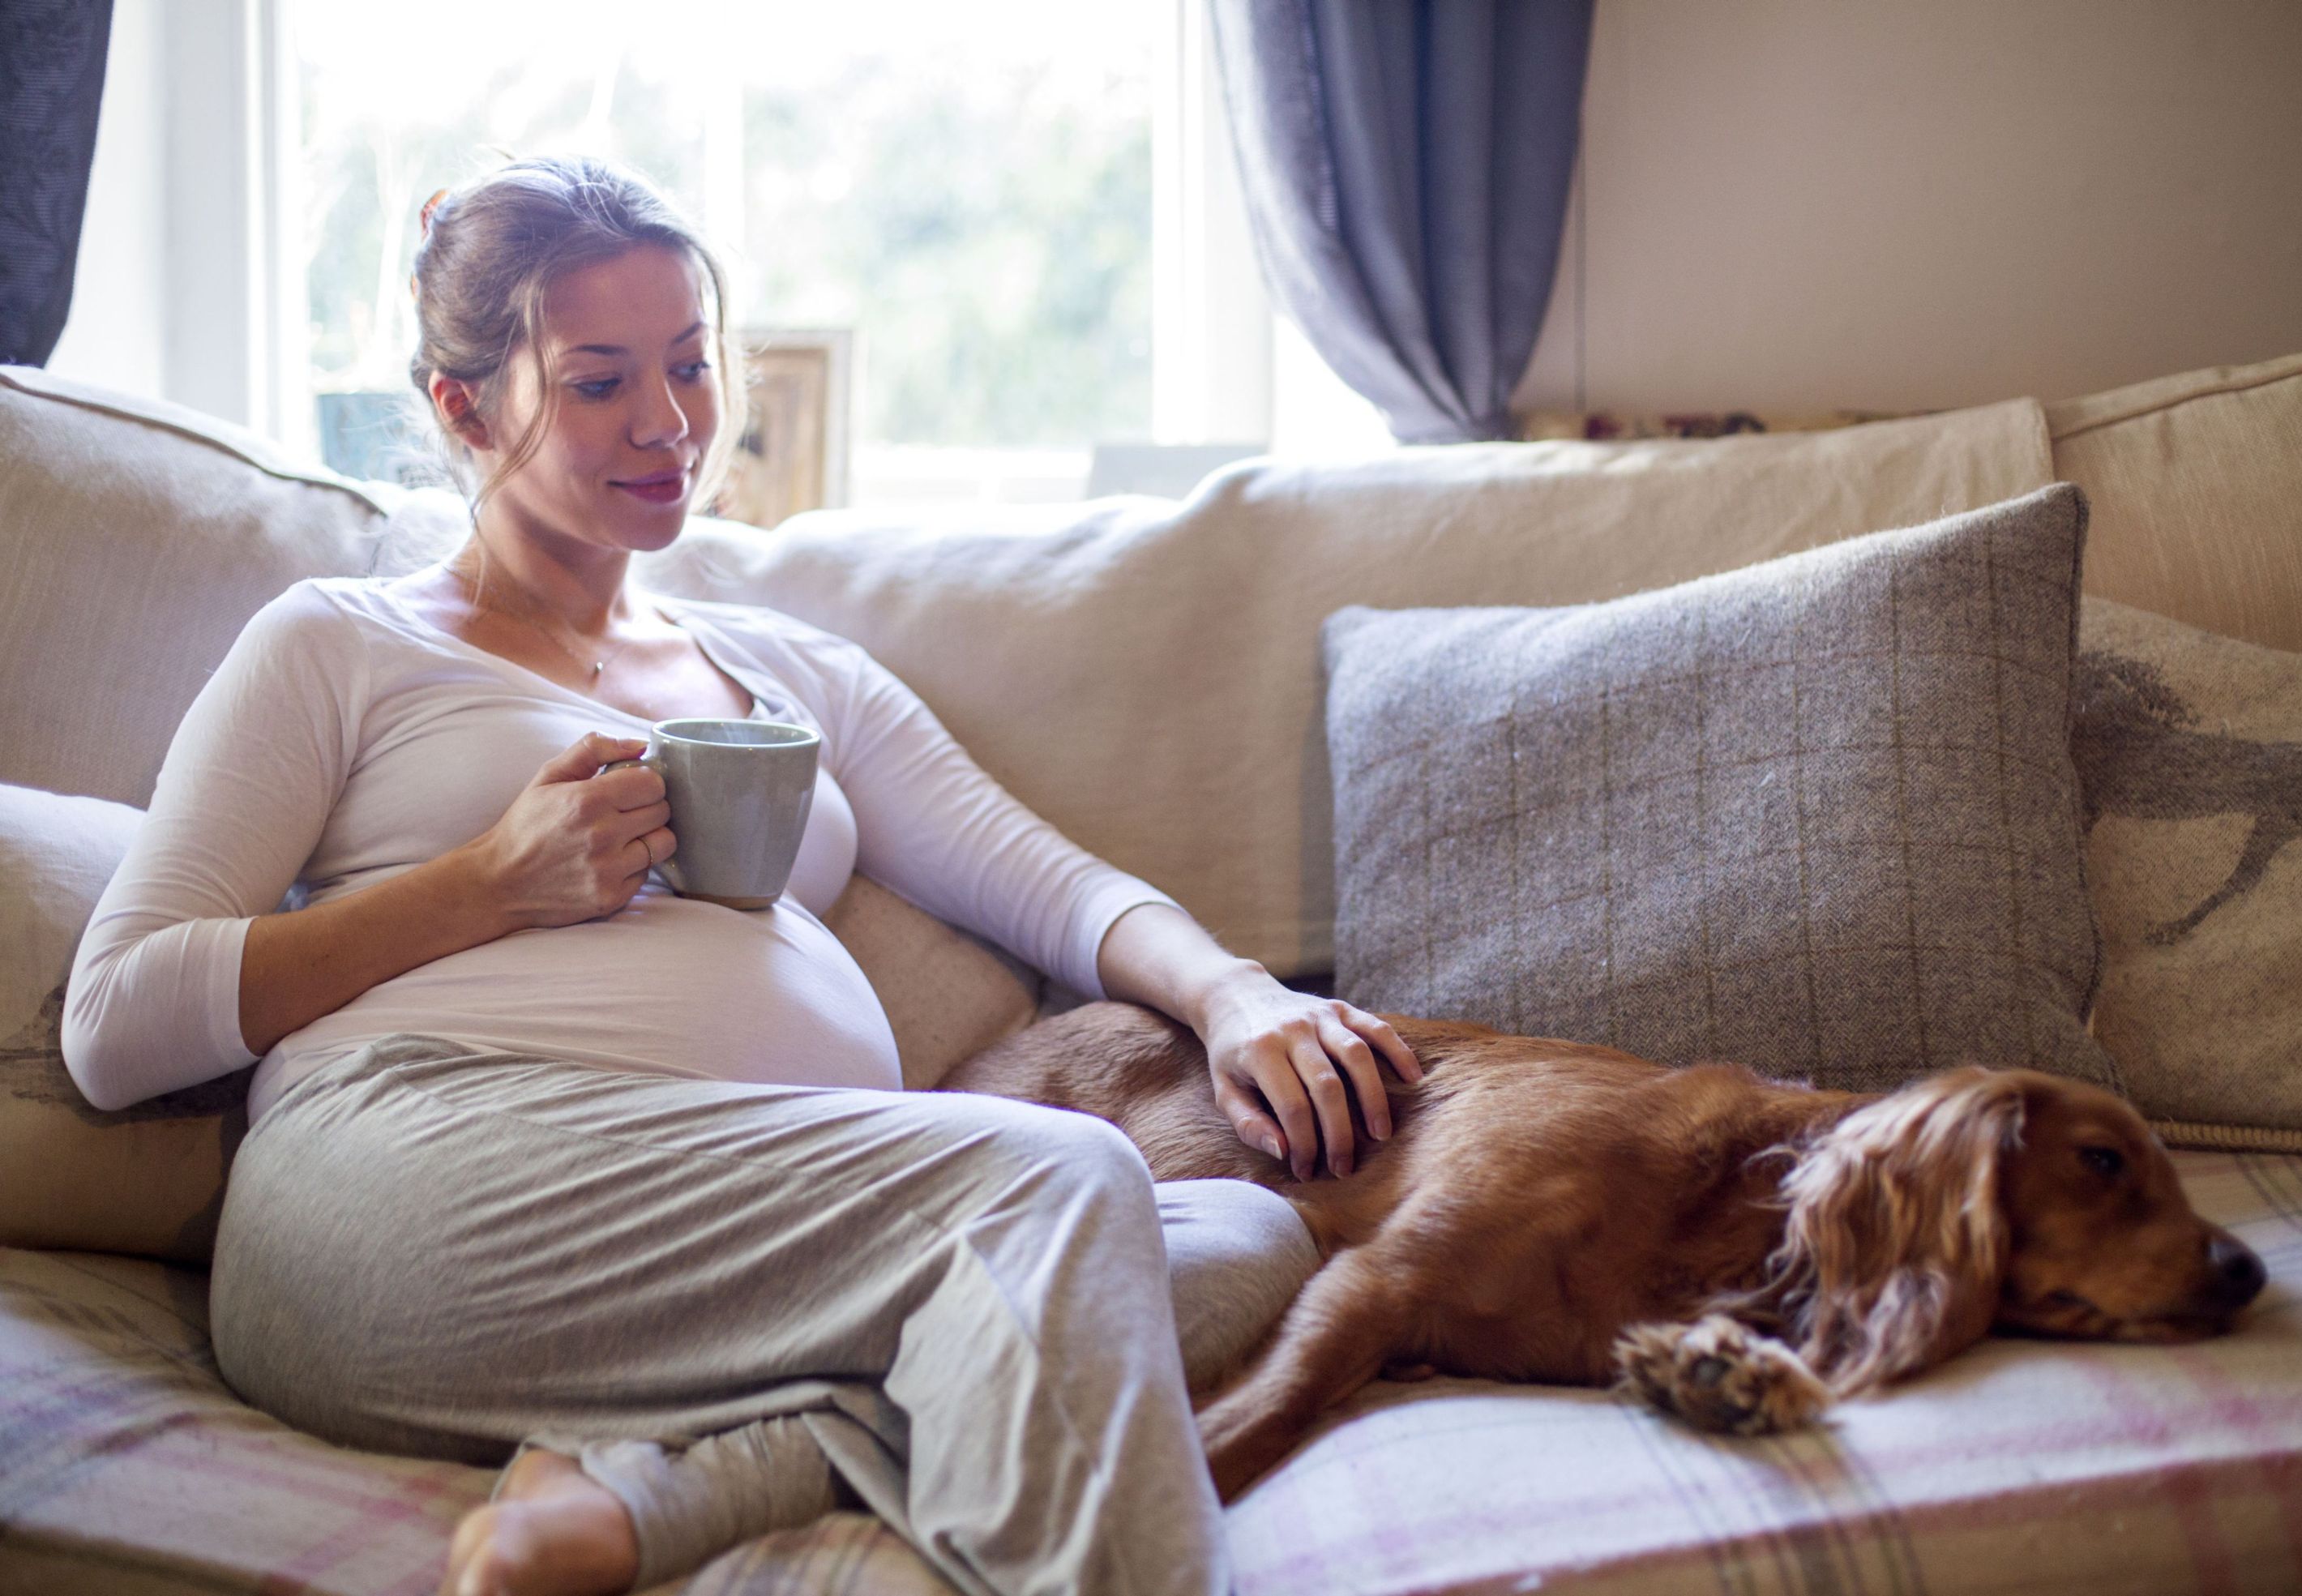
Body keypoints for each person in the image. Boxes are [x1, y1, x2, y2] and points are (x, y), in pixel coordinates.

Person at [60, 154, 1419, 1596]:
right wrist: (486, 883)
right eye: (597, 382)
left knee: (1245, 1233)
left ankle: (652, 1495)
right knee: (1062, 1188)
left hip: (748, 1228)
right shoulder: (339, 642)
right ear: (467, 408)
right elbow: (115, 1020)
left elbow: (1046, 883)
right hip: (409, 1178)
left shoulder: (787, 671)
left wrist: (1233, 996)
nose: (668, 425)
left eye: (690, 364)